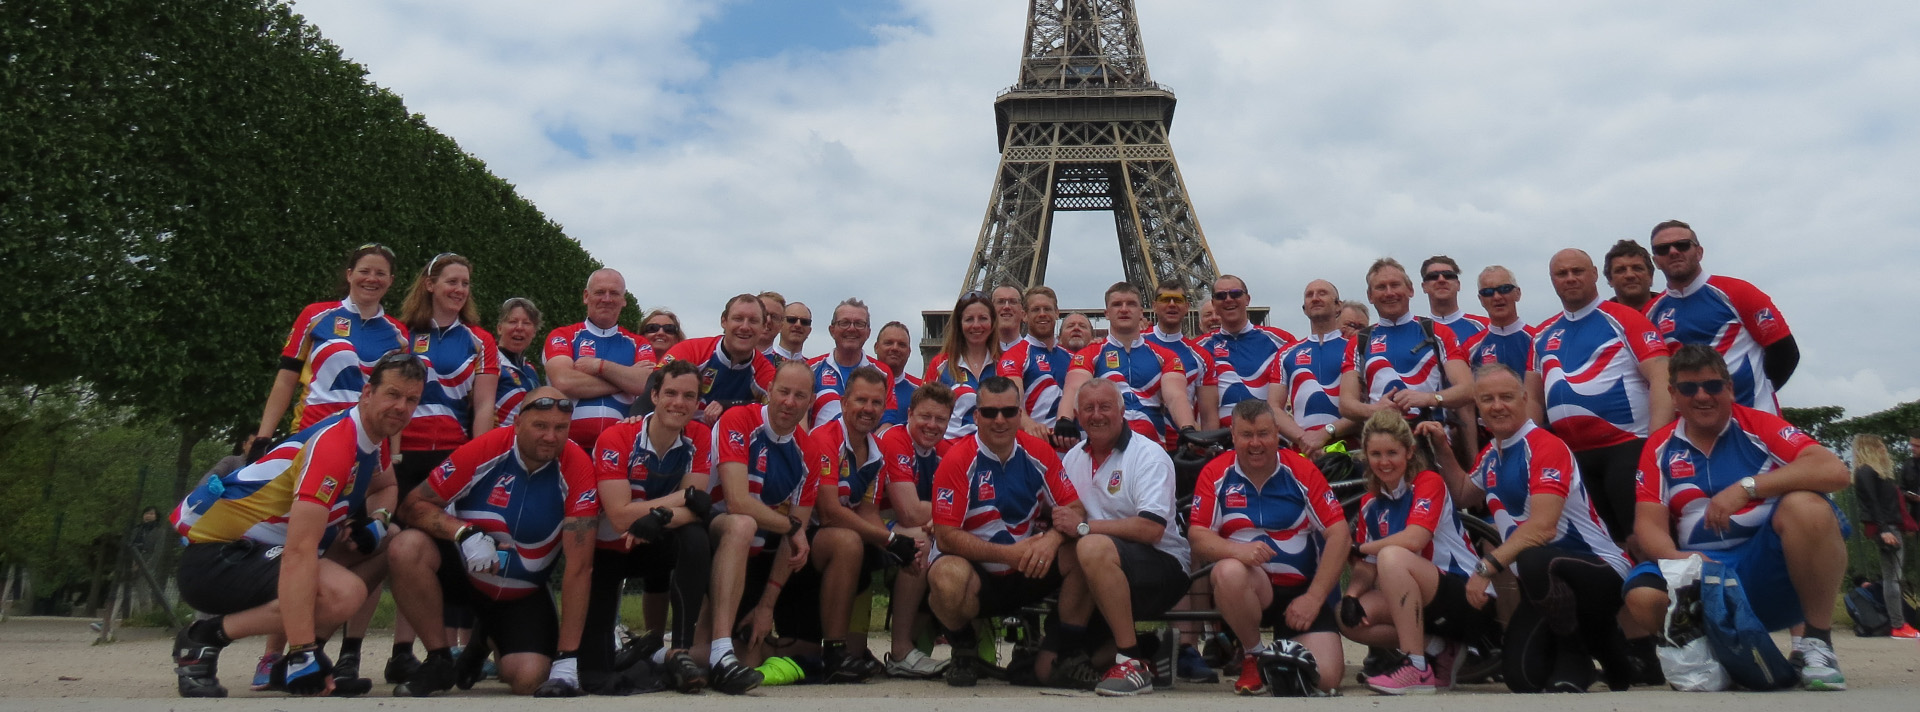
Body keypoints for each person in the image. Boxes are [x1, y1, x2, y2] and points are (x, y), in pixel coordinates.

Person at [170, 353, 421, 698]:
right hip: (216, 560)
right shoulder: (336, 444)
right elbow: (300, 550)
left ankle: (294, 660)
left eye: (412, 400)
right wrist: (303, 650)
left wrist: (376, 522)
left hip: (256, 552)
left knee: (389, 540)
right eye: (393, 394)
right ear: (367, 393)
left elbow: (387, 486)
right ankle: (203, 639)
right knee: (342, 592)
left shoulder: (371, 439)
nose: (401, 407)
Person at [1624, 344, 1853, 690]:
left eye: (1713, 386)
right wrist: (1679, 560)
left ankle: (1816, 643)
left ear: (1729, 388)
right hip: (1703, 570)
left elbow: (1834, 470)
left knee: (1807, 505)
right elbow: (1648, 525)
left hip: (1765, 568)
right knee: (1643, 597)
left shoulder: (1759, 425)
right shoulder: (1659, 446)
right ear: (1672, 395)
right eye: (1688, 388)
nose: (1702, 396)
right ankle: (1720, 655)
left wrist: (1747, 488)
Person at [1429, 364, 1632, 693]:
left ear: (1525, 399)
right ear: (1477, 407)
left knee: (1534, 557)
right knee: (1521, 678)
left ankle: (1576, 655)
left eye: (1506, 397)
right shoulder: (1492, 453)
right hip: (1546, 583)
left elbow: (1543, 528)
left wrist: (1486, 568)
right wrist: (1442, 447)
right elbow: (1464, 493)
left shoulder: (1544, 446)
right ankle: (1609, 649)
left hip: (1598, 569)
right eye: (1488, 399)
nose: (1497, 406)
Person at [384, 387, 598, 697]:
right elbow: (412, 506)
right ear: (517, 424)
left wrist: (567, 659)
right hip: (464, 575)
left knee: (528, 680)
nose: (550, 437)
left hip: (521, 593)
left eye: (560, 428)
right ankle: (439, 659)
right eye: (540, 426)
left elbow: (580, 569)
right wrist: (463, 532)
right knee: (405, 547)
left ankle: (484, 639)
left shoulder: (577, 466)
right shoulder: (485, 448)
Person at [927, 376, 1083, 687]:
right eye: (990, 413)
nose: (1000, 420)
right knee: (945, 577)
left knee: (1083, 553)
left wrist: (1052, 539)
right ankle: (964, 647)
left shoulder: (1039, 452)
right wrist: (1006, 555)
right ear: (976, 416)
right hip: (980, 571)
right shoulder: (957, 460)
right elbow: (945, 536)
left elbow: (1076, 510)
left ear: (1020, 413)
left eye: (1009, 412)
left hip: (1029, 565)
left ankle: (1063, 647)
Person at [1188, 399, 1349, 695]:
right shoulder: (1215, 473)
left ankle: (1280, 659)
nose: (1256, 443)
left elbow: (1339, 534)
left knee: (1324, 680)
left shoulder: (1301, 470)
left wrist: (1314, 598)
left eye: (1263, 434)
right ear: (1233, 436)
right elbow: (1197, 535)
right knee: (1228, 571)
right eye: (1246, 435)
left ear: (1277, 433)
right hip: (1252, 589)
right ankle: (1254, 655)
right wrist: (1237, 551)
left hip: (1301, 593)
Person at [1049, 379, 1191, 696]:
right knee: (1046, 671)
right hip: (1103, 568)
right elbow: (1065, 519)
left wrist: (1084, 528)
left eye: (1105, 407)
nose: (1097, 415)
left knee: (1090, 545)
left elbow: (1151, 529)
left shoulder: (1148, 455)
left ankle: (1132, 661)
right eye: (1088, 408)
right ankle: (1144, 648)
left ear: (1122, 411)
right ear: (1077, 414)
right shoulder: (1072, 458)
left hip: (1162, 566)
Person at [582, 359, 716, 690]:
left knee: (697, 538)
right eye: (671, 393)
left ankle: (679, 650)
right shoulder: (617, 436)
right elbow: (619, 515)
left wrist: (658, 516)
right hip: (607, 550)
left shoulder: (700, 435)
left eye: (689, 396)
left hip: (654, 538)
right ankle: (647, 655)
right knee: (594, 671)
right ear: (653, 396)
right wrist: (680, 498)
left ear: (697, 403)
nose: (679, 403)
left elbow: (697, 509)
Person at [1338, 411, 1491, 695]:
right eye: (1376, 454)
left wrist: (1360, 547)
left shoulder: (1428, 481)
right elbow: (1366, 566)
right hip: (1422, 601)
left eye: (1392, 453)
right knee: (1349, 617)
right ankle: (1440, 649)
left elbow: (1415, 538)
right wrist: (1351, 595)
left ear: (1409, 452)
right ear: (1366, 457)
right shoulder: (1371, 503)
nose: (1384, 462)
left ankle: (1417, 668)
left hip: (1466, 593)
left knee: (1392, 556)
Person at [1527, 249, 1672, 541]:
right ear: (1552, 280)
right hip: (1573, 457)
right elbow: (1531, 398)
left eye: (1577, 271)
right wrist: (1530, 452)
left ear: (1594, 274)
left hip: (1627, 446)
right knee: (1601, 546)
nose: (1570, 278)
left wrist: (1656, 444)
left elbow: (1662, 377)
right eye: (1562, 273)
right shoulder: (1543, 334)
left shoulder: (1624, 318)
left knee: (1643, 540)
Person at [699, 360, 820, 694]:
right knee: (742, 524)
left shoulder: (809, 451)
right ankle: (721, 652)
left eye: (800, 395)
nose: (789, 402)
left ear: (811, 402)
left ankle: (668, 656)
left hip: (752, 555)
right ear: (769, 391)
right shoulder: (739, 419)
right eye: (783, 391)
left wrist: (767, 606)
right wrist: (790, 525)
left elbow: (794, 536)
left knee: (748, 659)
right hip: (708, 534)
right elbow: (737, 501)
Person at [808, 366, 925, 682]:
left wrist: (899, 544)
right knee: (850, 541)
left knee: (911, 540)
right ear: (844, 403)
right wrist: (887, 540)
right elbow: (829, 511)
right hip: (805, 533)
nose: (868, 409)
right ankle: (834, 653)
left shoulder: (876, 450)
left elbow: (869, 512)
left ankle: (891, 649)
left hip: (840, 532)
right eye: (861, 400)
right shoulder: (824, 437)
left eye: (876, 403)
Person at [255, 244, 408, 443]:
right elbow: (285, 379)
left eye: (380, 273)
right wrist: (263, 437)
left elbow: (397, 399)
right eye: (364, 271)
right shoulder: (314, 316)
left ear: (391, 281)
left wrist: (394, 455)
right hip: (310, 433)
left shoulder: (399, 334)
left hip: (366, 440)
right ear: (349, 275)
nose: (372, 278)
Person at [1643, 219, 1799, 413]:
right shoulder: (1650, 314)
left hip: (1753, 420)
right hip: (1691, 430)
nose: (1673, 252)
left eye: (1682, 245)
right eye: (1663, 249)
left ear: (1699, 252)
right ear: (1655, 261)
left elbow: (1785, 352)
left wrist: (1758, 393)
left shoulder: (1738, 292)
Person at [1340, 259, 1477, 459]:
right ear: (1370, 296)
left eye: (1395, 285)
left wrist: (1428, 399)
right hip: (1382, 449)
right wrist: (1375, 410)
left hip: (1432, 445)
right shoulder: (1360, 341)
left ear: (1411, 290)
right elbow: (1346, 404)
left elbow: (1468, 389)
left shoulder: (1437, 332)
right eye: (1381, 287)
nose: (1389, 293)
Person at [1058, 282, 1197, 449]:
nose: (1124, 309)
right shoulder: (1088, 354)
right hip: (1103, 448)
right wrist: (1064, 419)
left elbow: (1175, 396)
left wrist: (1187, 427)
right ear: (1107, 313)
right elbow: (1074, 389)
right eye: (1117, 304)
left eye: (1131, 304)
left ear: (1141, 312)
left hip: (1151, 449)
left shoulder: (1166, 356)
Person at [878, 382, 955, 677]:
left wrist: (946, 518)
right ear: (909, 414)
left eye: (941, 419)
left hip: (918, 523)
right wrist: (947, 516)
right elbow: (908, 511)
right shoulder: (895, 440)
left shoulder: (946, 450)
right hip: (876, 520)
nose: (932, 425)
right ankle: (900, 651)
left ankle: (960, 646)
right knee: (920, 540)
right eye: (925, 417)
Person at [544, 269, 656, 449]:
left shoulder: (639, 343)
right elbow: (564, 381)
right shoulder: (563, 335)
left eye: (614, 293)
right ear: (586, 296)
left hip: (621, 446)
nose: (607, 299)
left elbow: (647, 384)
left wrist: (600, 366)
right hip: (567, 445)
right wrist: (625, 380)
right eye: (600, 292)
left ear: (623, 300)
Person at [1197, 275, 1299, 431]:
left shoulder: (1281, 341)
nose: (1228, 299)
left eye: (1235, 293)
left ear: (1247, 299)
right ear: (1213, 304)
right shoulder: (1198, 349)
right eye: (1221, 296)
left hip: (1271, 439)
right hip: (1219, 443)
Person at [660, 294, 776, 425]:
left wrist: (729, 405)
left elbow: (778, 408)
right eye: (738, 319)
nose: (744, 327)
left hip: (728, 439)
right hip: (681, 431)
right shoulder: (692, 350)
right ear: (724, 321)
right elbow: (653, 388)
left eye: (753, 321)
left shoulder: (764, 370)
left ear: (764, 327)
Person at [1850, 434, 1919, 638]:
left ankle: (1899, 624)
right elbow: (1872, 503)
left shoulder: (1875, 473)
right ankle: (1898, 625)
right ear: (1871, 448)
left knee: (1893, 576)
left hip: (1891, 524)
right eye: (1879, 445)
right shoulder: (1866, 472)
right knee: (1892, 578)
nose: (1884, 448)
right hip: (1885, 527)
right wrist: (1884, 529)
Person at [1276, 280, 1355, 446]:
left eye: (1322, 293)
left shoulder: (1355, 348)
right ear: (1304, 309)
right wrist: (1303, 439)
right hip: (1304, 450)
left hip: (1349, 449)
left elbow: (1367, 404)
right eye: (1309, 295)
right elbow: (1274, 407)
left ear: (1338, 306)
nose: (1315, 298)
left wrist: (1325, 434)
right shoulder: (1286, 353)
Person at [1143, 281, 1218, 434]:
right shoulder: (1135, 343)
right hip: (1142, 441)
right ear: (1154, 305)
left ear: (1187, 307)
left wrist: (1208, 447)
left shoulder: (1201, 356)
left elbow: (1208, 414)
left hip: (1183, 445)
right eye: (1165, 299)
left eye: (1178, 300)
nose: (1172, 304)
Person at [808, 298, 894, 429]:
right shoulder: (811, 368)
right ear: (832, 330)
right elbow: (799, 418)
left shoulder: (883, 372)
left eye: (859, 324)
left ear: (868, 332)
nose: (852, 328)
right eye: (844, 323)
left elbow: (887, 422)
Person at [999, 286, 1074, 436]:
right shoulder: (1014, 356)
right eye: (1035, 310)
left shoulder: (1072, 357)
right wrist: (1030, 425)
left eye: (1047, 309)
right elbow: (1012, 401)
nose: (1042, 314)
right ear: (1024, 315)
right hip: (1037, 444)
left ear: (1057, 313)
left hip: (1072, 445)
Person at [925, 291, 998, 441]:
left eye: (983, 318)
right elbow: (925, 409)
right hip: (950, 450)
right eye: (969, 319)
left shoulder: (1005, 363)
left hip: (993, 452)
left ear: (992, 323)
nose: (976, 325)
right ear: (959, 324)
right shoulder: (940, 364)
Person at [1459, 267, 1532, 376]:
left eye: (1504, 289)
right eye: (1488, 292)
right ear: (1481, 300)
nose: (1496, 297)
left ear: (1518, 293)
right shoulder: (1469, 348)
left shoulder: (1537, 340)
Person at [493, 298, 544, 427]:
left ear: (534, 332)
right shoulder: (490, 363)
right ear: (499, 328)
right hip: (499, 442)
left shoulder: (530, 370)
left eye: (526, 323)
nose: (519, 328)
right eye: (512, 321)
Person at [1420, 256, 1489, 343]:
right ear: (1424, 287)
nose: (1441, 280)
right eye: (1433, 276)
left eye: (1448, 275)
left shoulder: (1485, 327)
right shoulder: (1416, 331)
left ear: (1458, 285)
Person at [875, 321, 923, 428]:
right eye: (888, 343)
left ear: (909, 351)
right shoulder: (858, 383)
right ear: (876, 347)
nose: (895, 348)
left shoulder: (920, 390)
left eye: (901, 344)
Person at [1603, 240, 1658, 313]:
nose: (1630, 275)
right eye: (1620, 270)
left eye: (1637, 268)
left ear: (1651, 276)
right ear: (1609, 279)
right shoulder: (1600, 320)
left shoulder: (1675, 310)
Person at [991, 285, 1026, 351]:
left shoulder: (1034, 356)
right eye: (1000, 302)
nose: (1006, 307)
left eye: (1013, 302)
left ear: (1023, 313)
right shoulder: (976, 352)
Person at [756, 292, 787, 361]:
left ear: (781, 326)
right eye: (763, 314)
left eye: (774, 317)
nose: (768, 320)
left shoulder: (784, 367)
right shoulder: (730, 358)